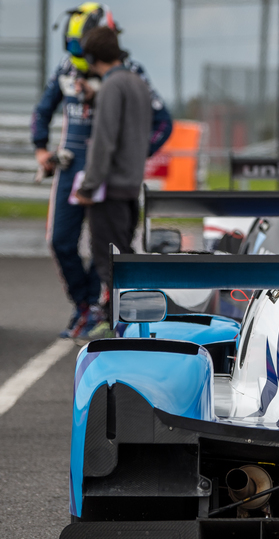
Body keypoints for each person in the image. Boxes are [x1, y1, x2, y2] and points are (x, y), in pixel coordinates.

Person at [31, 2, 172, 339]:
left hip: (105, 177)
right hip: (73, 172)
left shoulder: (128, 74)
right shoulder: (68, 70)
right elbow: (42, 110)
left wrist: (136, 155)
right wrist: (40, 148)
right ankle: (84, 304)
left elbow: (161, 122)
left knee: (106, 248)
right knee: (62, 241)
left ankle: (107, 309)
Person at [73, 26, 153, 338]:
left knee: (109, 262)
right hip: (131, 186)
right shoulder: (137, 83)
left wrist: (87, 187)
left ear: (91, 57)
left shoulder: (111, 87)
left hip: (109, 191)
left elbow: (104, 142)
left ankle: (122, 328)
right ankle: (130, 323)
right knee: (125, 256)